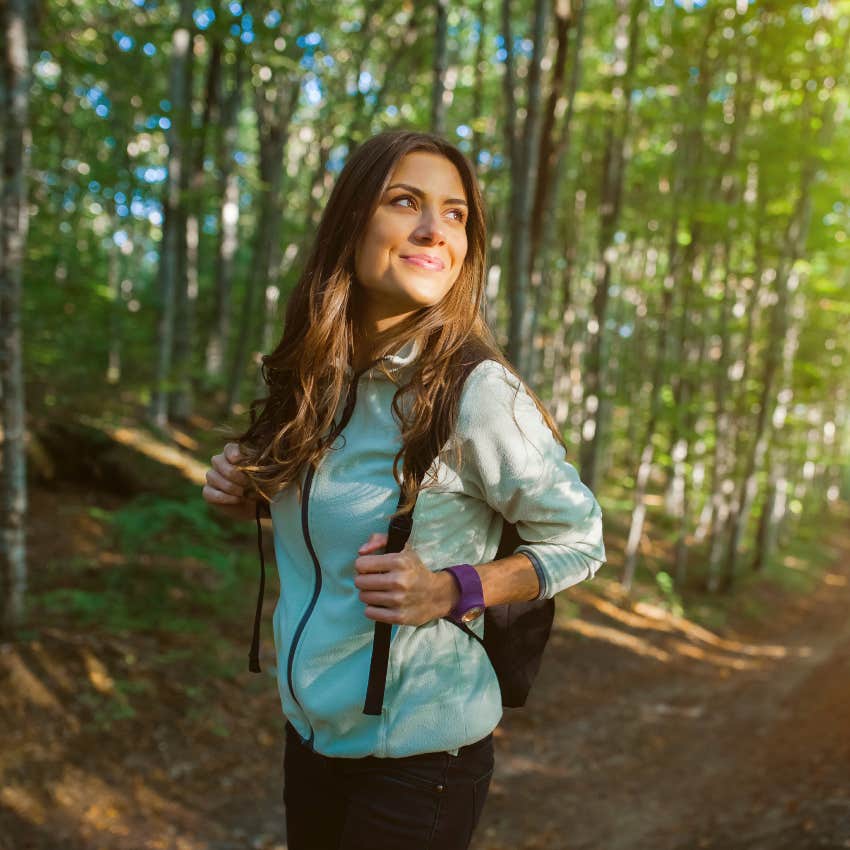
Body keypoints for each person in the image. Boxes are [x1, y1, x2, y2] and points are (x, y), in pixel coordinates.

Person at [202, 129, 606, 850]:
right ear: (353, 221)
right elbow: (331, 519)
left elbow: (580, 539)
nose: (434, 230)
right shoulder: (319, 378)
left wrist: (453, 589)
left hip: (422, 761)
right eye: (405, 202)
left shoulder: (476, 391)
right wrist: (248, 493)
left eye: (455, 214)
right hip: (312, 739)